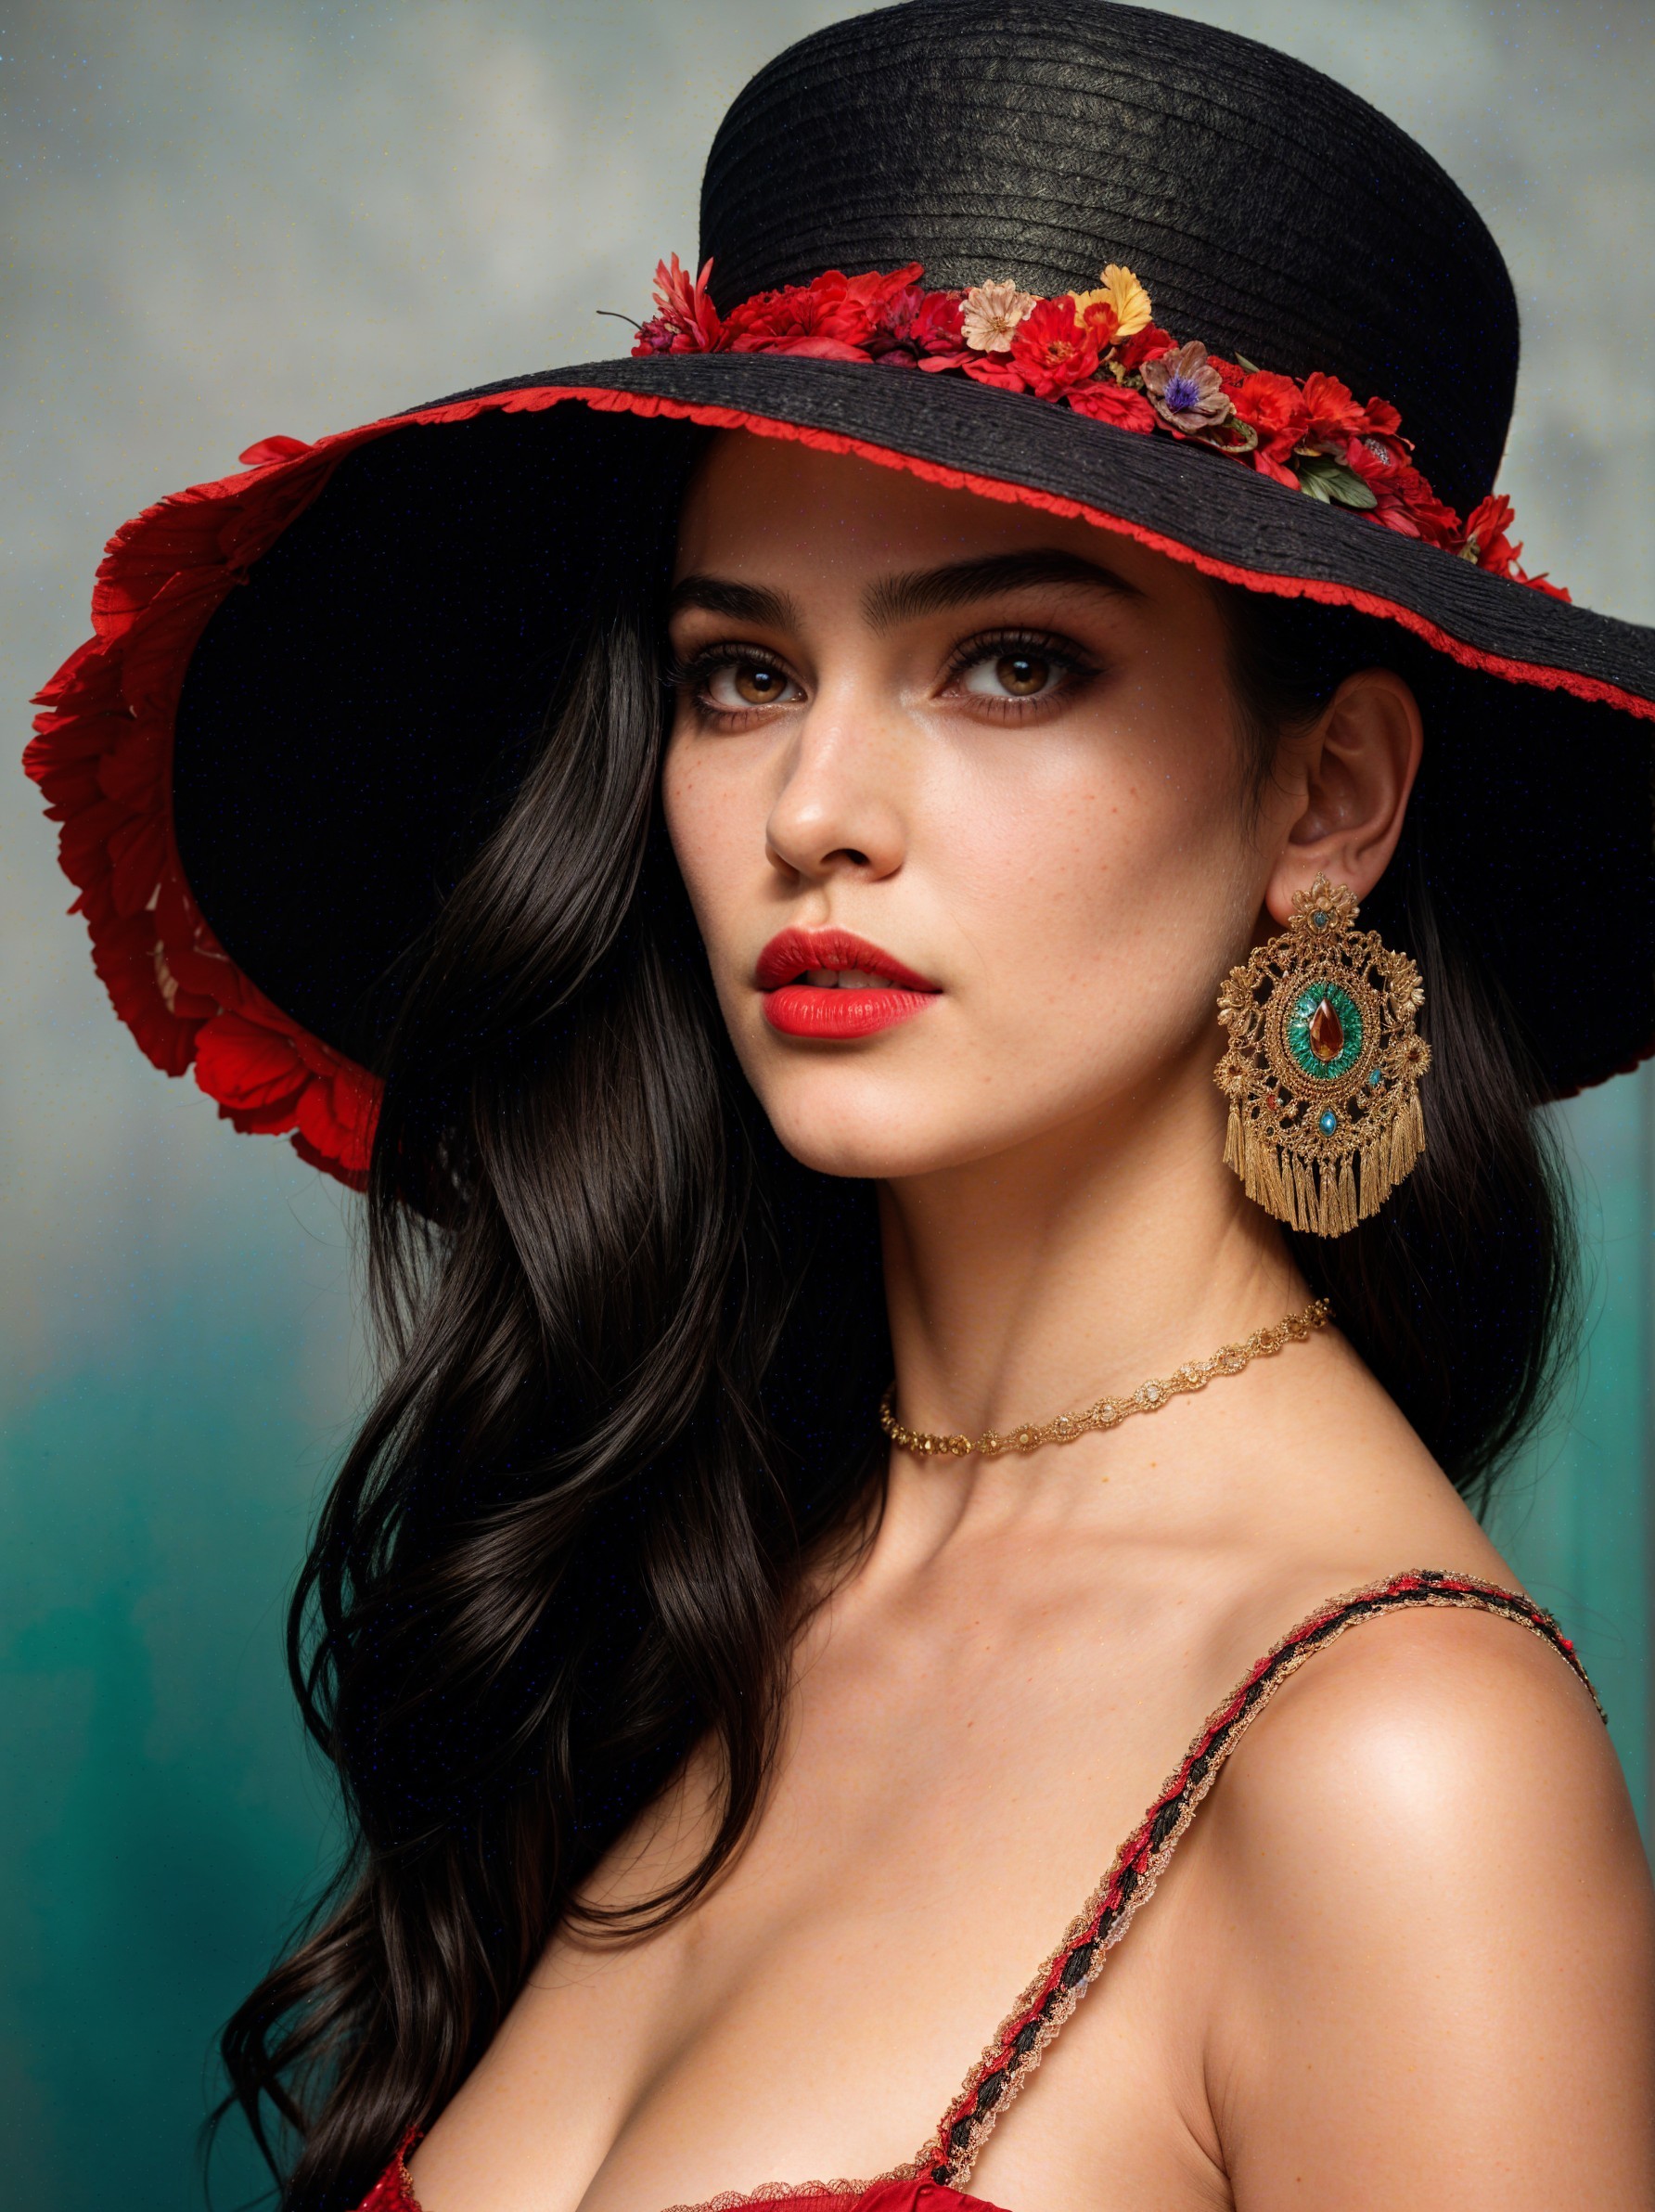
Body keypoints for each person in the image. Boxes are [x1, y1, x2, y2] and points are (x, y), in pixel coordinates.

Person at [26, 4, 1655, 2208]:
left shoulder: (1393, 1767)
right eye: (742, 671)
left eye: (1010, 662)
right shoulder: (686, 1588)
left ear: (1326, 794)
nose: (815, 810)